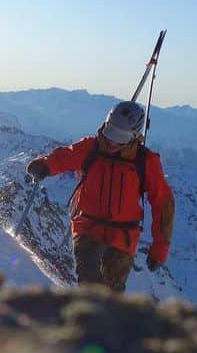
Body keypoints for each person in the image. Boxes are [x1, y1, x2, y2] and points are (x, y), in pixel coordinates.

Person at [25, 101, 175, 293]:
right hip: (87, 228)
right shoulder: (91, 148)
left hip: (123, 236)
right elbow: (66, 156)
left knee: (113, 291)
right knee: (89, 284)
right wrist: (45, 165)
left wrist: (160, 247)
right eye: (110, 133)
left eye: (120, 138)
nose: (112, 142)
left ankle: (109, 320)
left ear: (135, 136)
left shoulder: (145, 161)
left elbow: (162, 203)